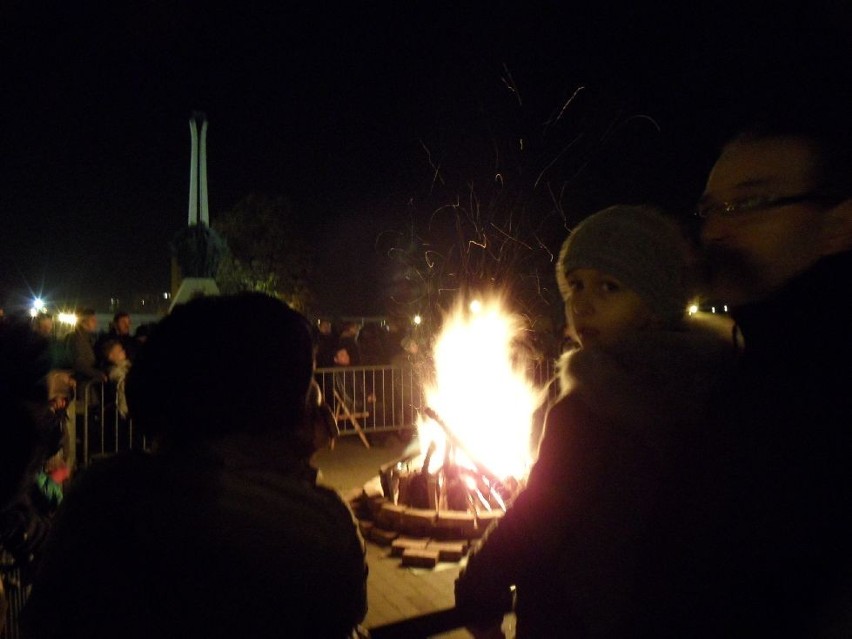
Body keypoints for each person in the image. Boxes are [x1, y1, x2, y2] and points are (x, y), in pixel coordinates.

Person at [454, 205, 734, 637]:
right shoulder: (714, 385)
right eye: (576, 286)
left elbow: (539, 514)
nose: (582, 304)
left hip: (574, 613)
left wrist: (478, 583)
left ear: (656, 304)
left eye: (609, 286)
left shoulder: (590, 407)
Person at [21, 293, 368, 639]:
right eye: (306, 386)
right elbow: (346, 612)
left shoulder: (99, 494)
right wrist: (297, 465)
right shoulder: (317, 525)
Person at [688, 108, 852, 635]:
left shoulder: (821, 387)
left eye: (750, 204)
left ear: (837, 226)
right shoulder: (754, 365)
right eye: (711, 209)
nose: (715, 230)